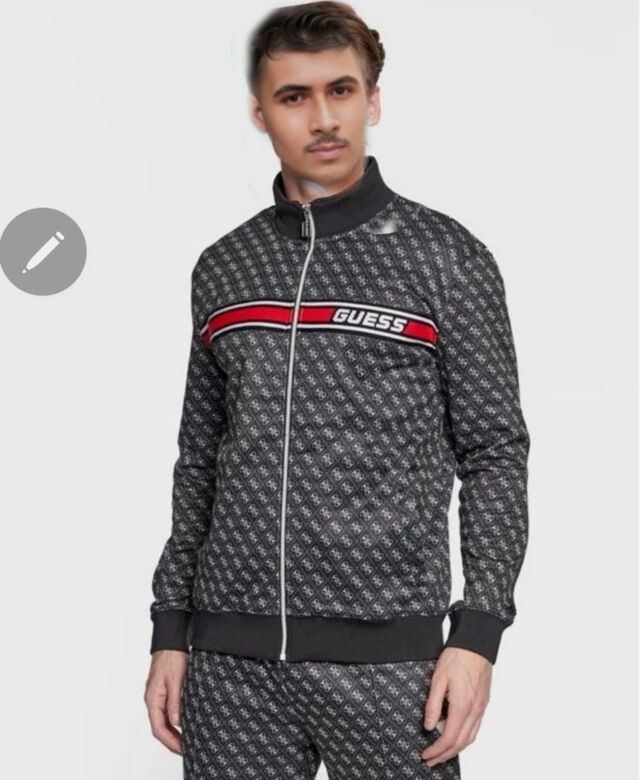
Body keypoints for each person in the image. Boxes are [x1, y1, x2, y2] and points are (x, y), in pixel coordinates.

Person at [143, 2, 531, 777]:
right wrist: (171, 631)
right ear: (261, 113)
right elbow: (199, 460)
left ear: (372, 101)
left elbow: (495, 452)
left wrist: (477, 634)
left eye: (342, 91)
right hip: (230, 669)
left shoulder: (445, 258)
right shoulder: (225, 268)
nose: (323, 119)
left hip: (392, 666)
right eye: (295, 97)